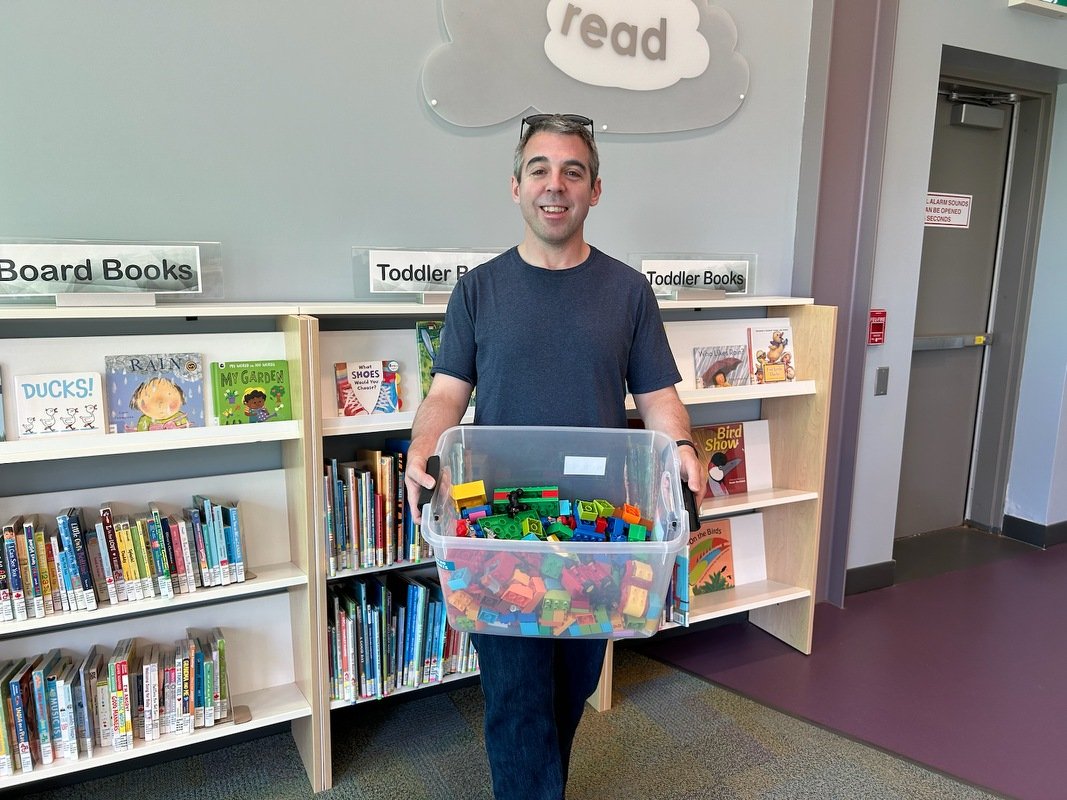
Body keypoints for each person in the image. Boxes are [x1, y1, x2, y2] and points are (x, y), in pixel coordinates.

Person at [404, 113, 707, 800]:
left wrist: (683, 445)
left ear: (594, 191)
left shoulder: (627, 291)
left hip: (598, 531)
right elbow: (447, 393)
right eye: (539, 169)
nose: (555, 185)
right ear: (515, 186)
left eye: (572, 171)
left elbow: (659, 399)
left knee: (567, 690)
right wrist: (424, 442)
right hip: (495, 529)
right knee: (516, 696)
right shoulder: (478, 289)